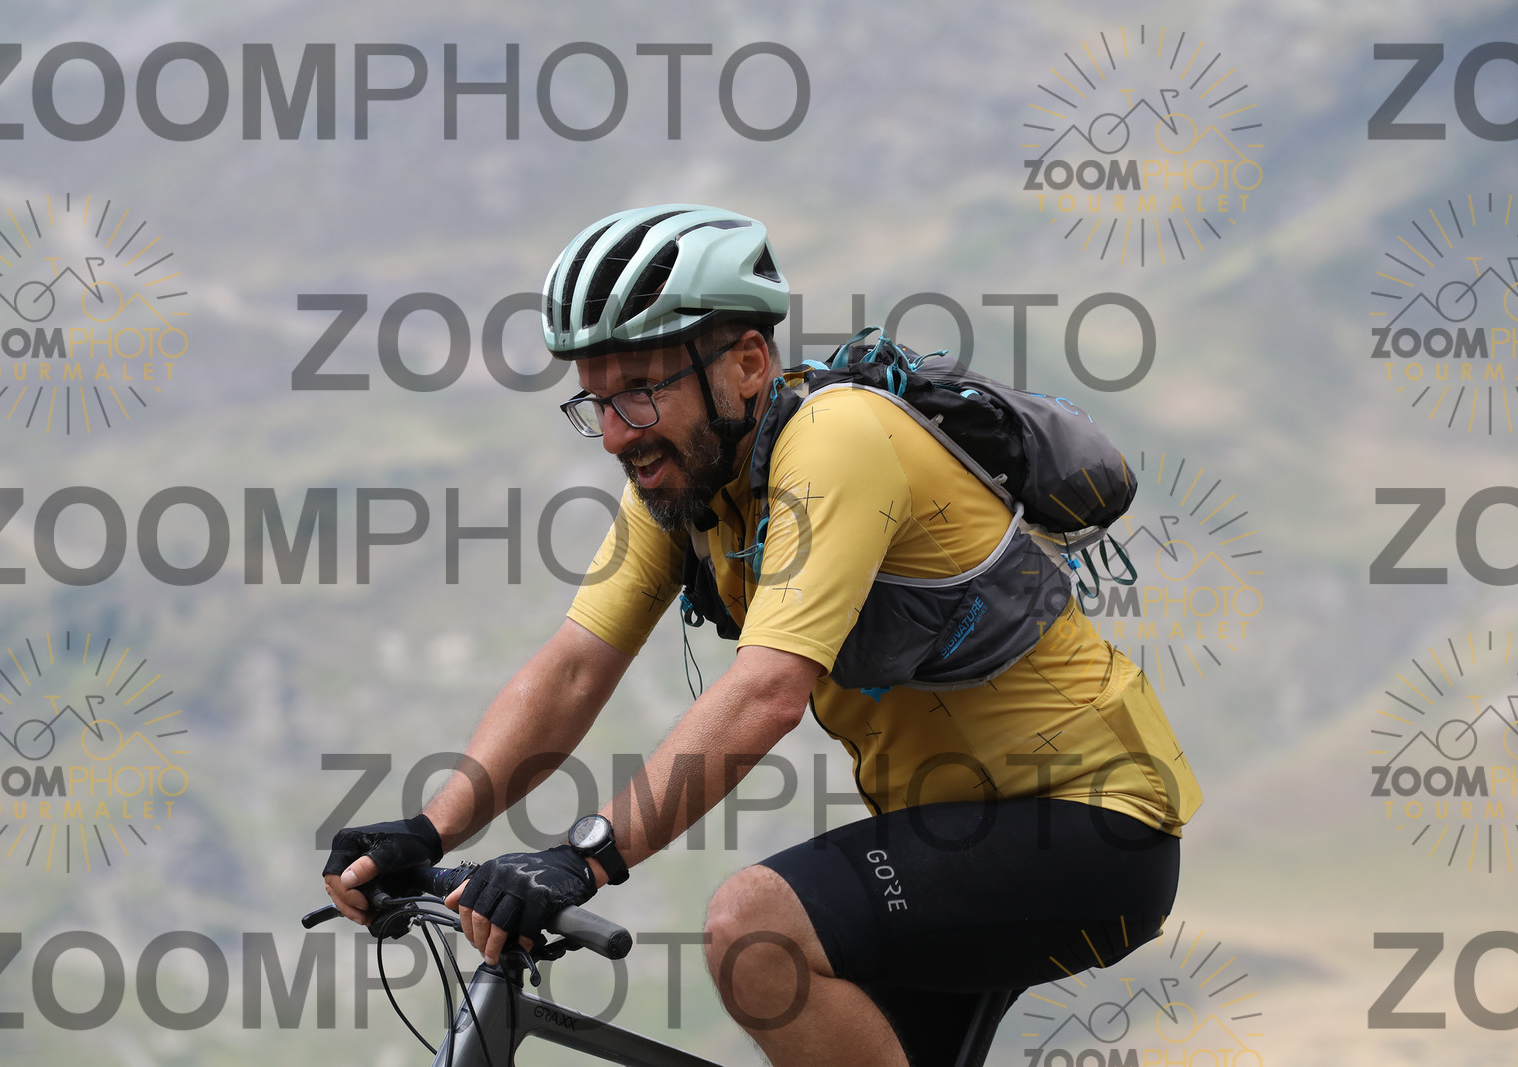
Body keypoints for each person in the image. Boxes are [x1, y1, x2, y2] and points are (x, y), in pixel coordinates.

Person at [324, 204, 1202, 1066]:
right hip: (944, 833)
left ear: (746, 364)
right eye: (597, 401)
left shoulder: (838, 438)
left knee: (756, 930)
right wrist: (431, 829)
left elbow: (767, 692)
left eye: (642, 390)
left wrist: (582, 859)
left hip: (1092, 823)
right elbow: (574, 669)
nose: (618, 434)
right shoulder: (686, 484)